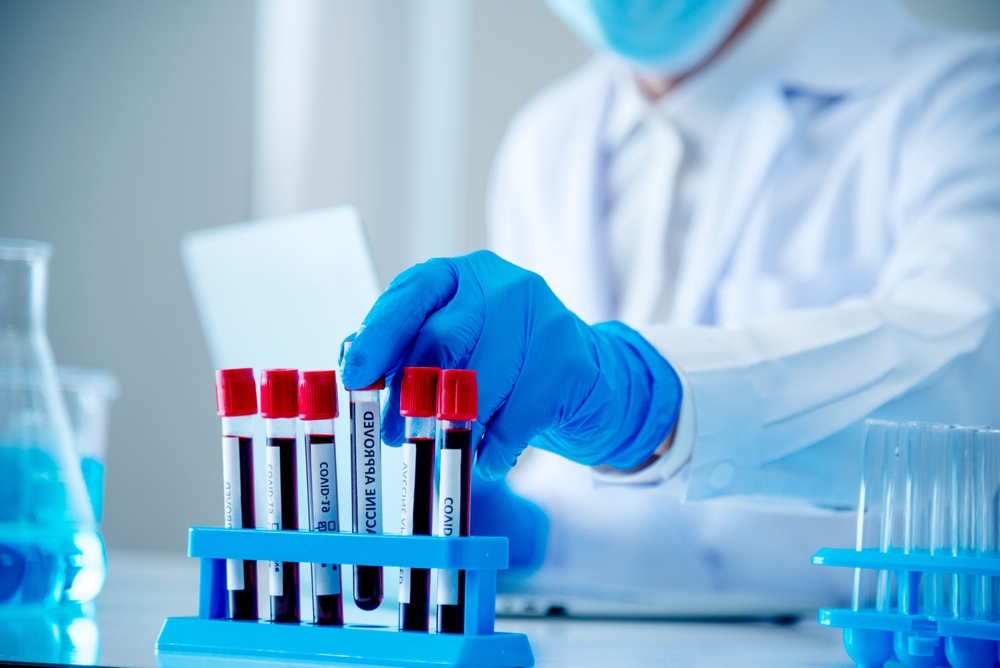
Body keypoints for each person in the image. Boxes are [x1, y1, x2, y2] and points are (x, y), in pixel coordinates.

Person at [341, 0, 1000, 609]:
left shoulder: (964, 99)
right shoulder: (545, 141)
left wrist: (643, 399)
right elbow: (660, 534)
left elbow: (965, 371)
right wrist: (538, 536)